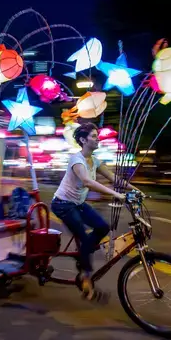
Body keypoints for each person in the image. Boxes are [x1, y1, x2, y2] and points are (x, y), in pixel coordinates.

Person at [51, 122, 139, 300]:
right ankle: (85, 276)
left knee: (102, 227)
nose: (97, 138)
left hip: (78, 203)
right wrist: (117, 195)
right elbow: (87, 182)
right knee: (84, 238)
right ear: (83, 140)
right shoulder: (77, 160)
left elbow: (114, 178)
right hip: (63, 204)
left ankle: (83, 255)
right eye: (93, 136)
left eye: (97, 135)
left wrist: (135, 190)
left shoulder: (95, 161)